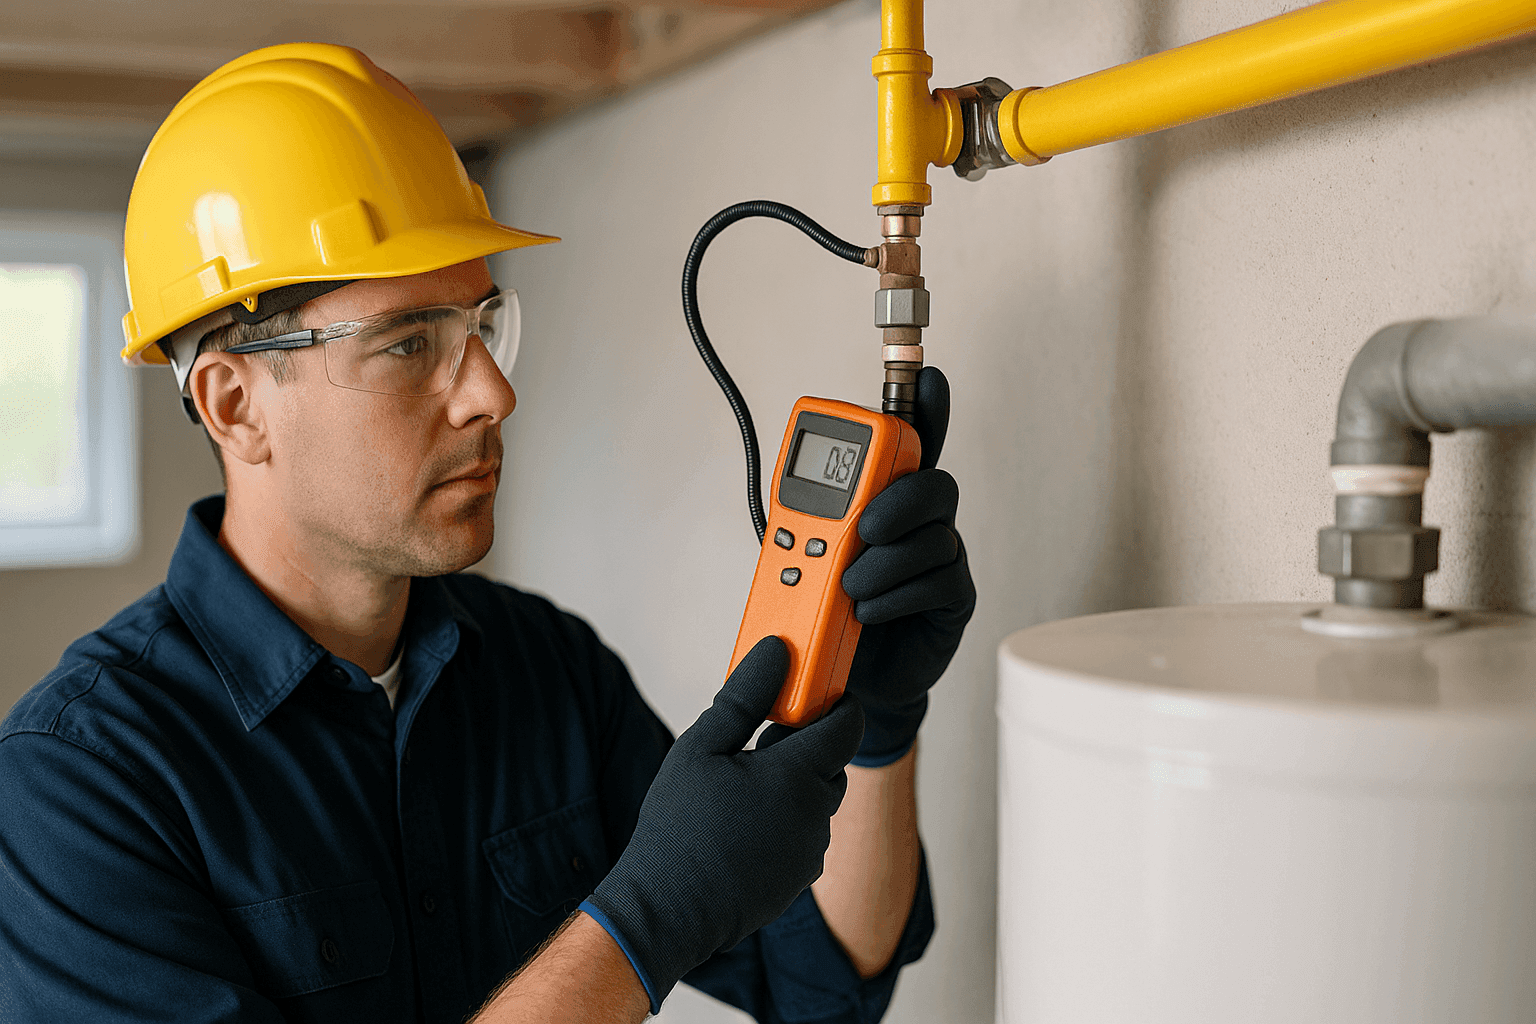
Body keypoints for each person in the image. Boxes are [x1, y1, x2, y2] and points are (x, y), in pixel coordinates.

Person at [0, 44, 974, 1024]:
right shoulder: (75, 786)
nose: (492, 392)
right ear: (235, 405)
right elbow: (681, 925)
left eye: (482, 326)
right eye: (408, 344)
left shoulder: (548, 671)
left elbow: (823, 979)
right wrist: (644, 922)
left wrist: (875, 719)